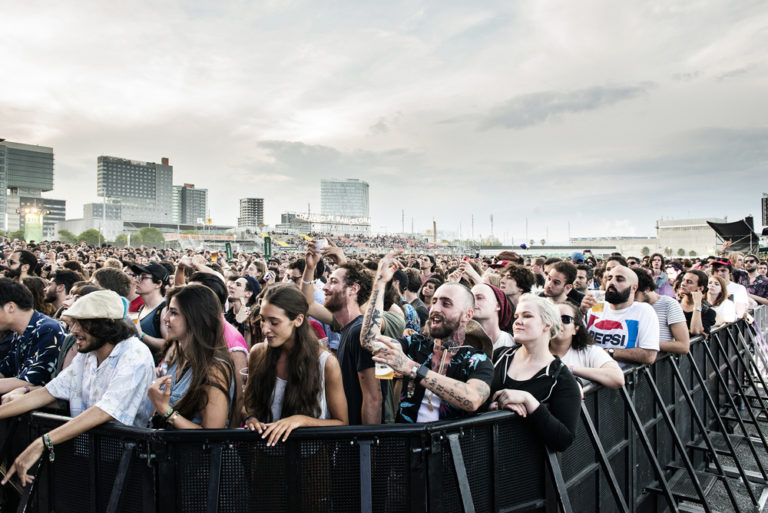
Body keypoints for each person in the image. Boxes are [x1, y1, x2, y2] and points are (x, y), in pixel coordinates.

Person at [0, 290, 155, 486]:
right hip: (88, 457)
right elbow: (48, 392)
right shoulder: (87, 355)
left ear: (106, 324)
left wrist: (43, 442)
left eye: (81, 324)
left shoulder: (134, 355)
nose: (73, 330)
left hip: (124, 464)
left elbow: (104, 411)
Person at [362, 252, 494, 423]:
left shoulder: (477, 360)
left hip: (451, 447)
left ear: (467, 315)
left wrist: (411, 368)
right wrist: (379, 283)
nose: (435, 309)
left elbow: (472, 399)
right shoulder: (414, 344)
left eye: (446, 304)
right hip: (407, 445)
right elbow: (370, 341)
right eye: (434, 302)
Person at [242, 284, 347, 444]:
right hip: (265, 455)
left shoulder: (325, 363)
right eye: (263, 320)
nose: (265, 329)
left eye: (274, 322)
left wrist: (301, 421)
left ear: (298, 320)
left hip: (311, 460)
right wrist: (251, 418)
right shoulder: (258, 353)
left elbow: (341, 422)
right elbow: (247, 404)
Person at [300, 245, 382, 425]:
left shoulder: (359, 332)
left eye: (333, 282)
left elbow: (373, 400)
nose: (325, 287)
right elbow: (307, 305)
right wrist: (310, 268)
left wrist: (365, 447)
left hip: (356, 441)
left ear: (354, 289)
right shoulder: (344, 326)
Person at [489, 294, 581, 451]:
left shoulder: (561, 378)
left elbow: (564, 440)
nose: (517, 321)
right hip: (483, 457)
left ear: (547, 325)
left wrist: (529, 401)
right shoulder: (500, 356)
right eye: (516, 316)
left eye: (527, 316)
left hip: (526, 466)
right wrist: (492, 407)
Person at [143, 284, 235, 429]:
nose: (166, 318)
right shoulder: (178, 355)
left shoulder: (214, 369)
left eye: (173, 313)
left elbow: (212, 436)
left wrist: (165, 411)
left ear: (195, 318)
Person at [581, 265, 659, 365]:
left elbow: (649, 355)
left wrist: (609, 352)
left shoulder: (643, 311)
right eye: (609, 278)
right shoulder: (596, 307)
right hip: (586, 372)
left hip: (621, 376)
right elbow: (575, 342)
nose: (612, 282)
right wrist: (581, 313)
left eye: (619, 279)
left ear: (633, 288)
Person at [0, 278, 66, 395]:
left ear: (10, 307)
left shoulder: (48, 330)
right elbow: (5, 371)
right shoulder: (20, 331)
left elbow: (31, 381)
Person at [549, 302, 624, 389]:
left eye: (565, 319)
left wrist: (568, 368)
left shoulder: (590, 352)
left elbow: (617, 378)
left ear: (576, 329)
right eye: (554, 318)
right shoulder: (532, 351)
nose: (558, 323)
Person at [632, 267, 690, 354]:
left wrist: (648, 345)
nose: (632, 300)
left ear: (647, 289)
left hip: (659, 363)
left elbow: (683, 346)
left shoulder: (669, 304)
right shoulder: (630, 305)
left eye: (635, 295)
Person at [130, 262, 170, 354]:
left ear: (158, 284)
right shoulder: (143, 307)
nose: (137, 280)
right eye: (137, 276)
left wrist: (141, 334)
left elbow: (170, 345)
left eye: (143, 277)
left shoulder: (164, 309)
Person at [471, 283, 514, 350]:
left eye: (479, 298)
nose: (472, 302)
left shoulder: (511, 343)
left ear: (498, 305)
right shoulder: (460, 340)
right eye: (471, 298)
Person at [678, 270, 717, 336]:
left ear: (700, 288)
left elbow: (696, 331)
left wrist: (697, 303)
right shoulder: (673, 305)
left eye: (689, 282)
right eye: (683, 280)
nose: (683, 284)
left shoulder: (708, 312)